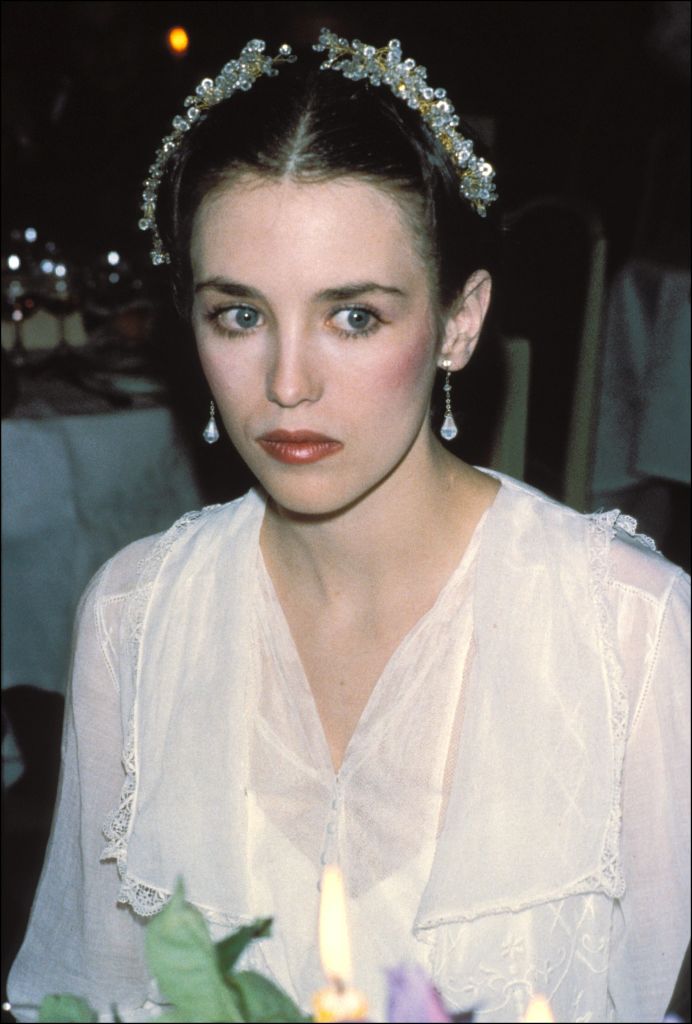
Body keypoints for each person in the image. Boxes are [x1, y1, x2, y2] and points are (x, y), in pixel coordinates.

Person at [6, 30, 690, 1024]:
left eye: (353, 316)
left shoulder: (628, 632)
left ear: (460, 320)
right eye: (238, 315)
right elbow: (91, 992)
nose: (287, 384)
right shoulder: (136, 617)